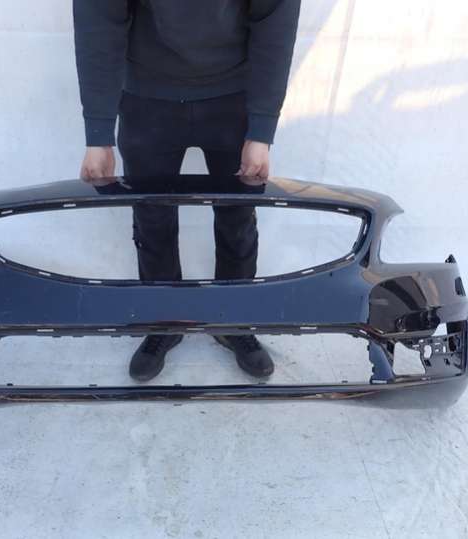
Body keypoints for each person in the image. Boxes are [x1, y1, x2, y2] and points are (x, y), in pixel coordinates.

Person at [73, 0, 301, 381]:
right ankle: (164, 320)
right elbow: (98, 19)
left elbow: (275, 20)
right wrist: (98, 133)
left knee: (237, 215)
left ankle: (233, 321)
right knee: (152, 216)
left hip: (233, 95)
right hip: (147, 97)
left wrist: (261, 130)